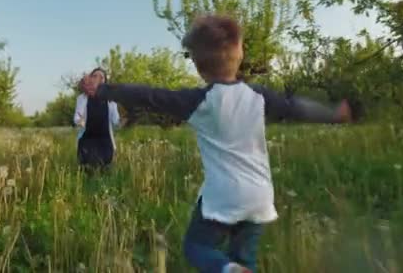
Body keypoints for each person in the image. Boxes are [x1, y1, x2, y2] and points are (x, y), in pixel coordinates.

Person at [84, 15, 352, 273]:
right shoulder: (258, 96)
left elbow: (150, 96)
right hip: (259, 196)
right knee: (245, 258)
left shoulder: (200, 101)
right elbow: (296, 108)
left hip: (223, 196)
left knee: (197, 246)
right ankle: (235, 268)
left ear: (199, 67)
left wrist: (104, 91)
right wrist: (333, 114)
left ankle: (226, 269)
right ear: (240, 52)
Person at [73, 68, 121, 172]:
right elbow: (76, 118)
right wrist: (79, 121)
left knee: (105, 171)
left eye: (101, 77)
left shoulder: (111, 100)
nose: (98, 79)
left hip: (105, 140)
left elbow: (116, 121)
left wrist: (123, 120)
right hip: (87, 140)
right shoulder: (82, 98)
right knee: (87, 171)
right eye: (95, 76)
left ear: (105, 81)